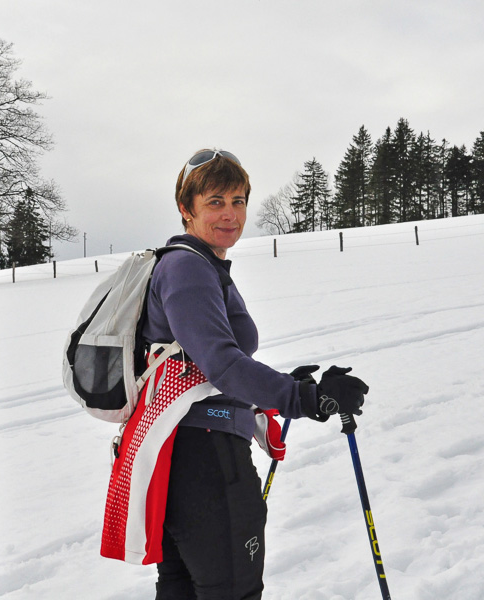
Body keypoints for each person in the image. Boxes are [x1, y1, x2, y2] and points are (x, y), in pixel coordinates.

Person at [104, 149, 369, 600]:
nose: (230, 214)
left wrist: (286, 384)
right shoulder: (188, 267)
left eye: (238, 201)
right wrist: (305, 399)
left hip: (180, 455)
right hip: (205, 459)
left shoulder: (197, 264)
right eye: (215, 202)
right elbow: (222, 364)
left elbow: (199, 369)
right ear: (186, 208)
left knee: (183, 589)